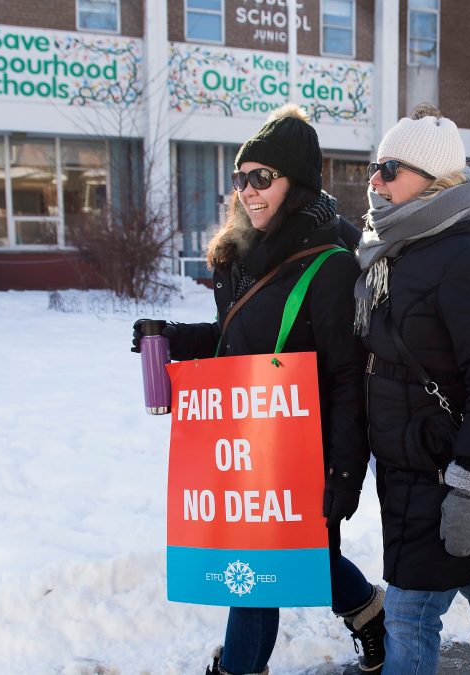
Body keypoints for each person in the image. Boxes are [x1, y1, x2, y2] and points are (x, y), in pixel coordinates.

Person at [132, 104, 384, 674]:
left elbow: (347, 377)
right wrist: (172, 338)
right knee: (294, 556)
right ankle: (369, 612)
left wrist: (345, 474)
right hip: (250, 444)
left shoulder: (330, 261)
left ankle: (240, 669)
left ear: (296, 183)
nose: (247, 190)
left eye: (261, 178)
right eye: (241, 178)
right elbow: (237, 340)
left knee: (254, 572)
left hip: (306, 450)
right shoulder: (243, 255)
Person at [355, 105, 470, 674]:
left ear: (434, 180)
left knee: (409, 613)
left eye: (389, 169)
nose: (374, 180)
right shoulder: (397, 244)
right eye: (374, 167)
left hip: (445, 468)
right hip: (406, 460)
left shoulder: (466, 257)